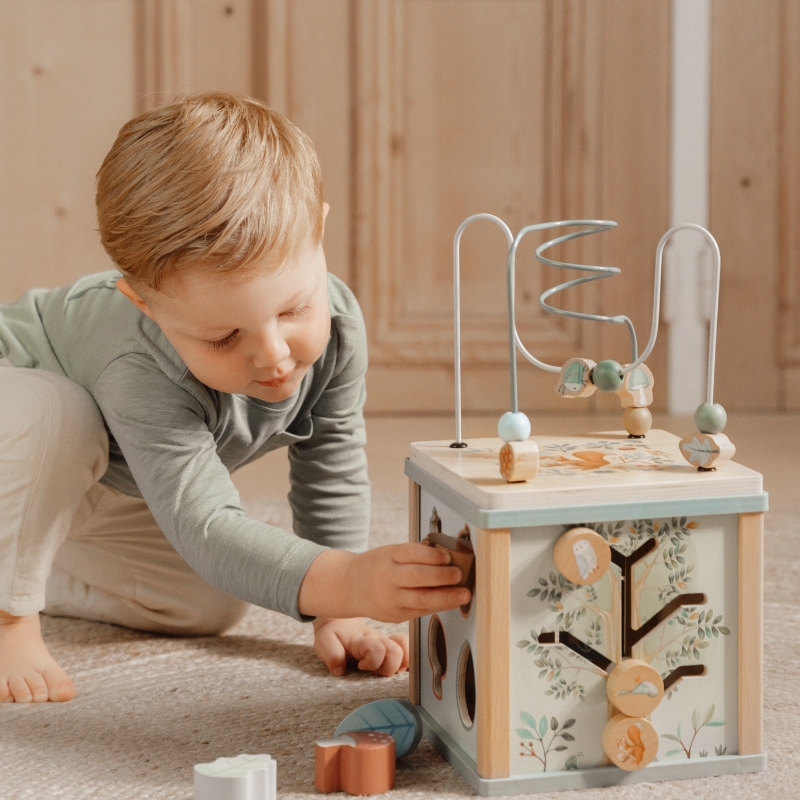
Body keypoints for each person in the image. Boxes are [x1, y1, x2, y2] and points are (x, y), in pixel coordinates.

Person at [0, 91, 470, 703]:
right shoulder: (136, 364)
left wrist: (340, 611)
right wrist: (349, 580)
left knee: (210, 599)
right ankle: (9, 616)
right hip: (19, 439)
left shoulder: (340, 325)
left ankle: (25, 566)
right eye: (224, 336)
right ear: (144, 305)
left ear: (319, 231)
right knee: (57, 416)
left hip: (93, 483)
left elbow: (330, 465)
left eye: (294, 308)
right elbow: (204, 524)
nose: (273, 354)